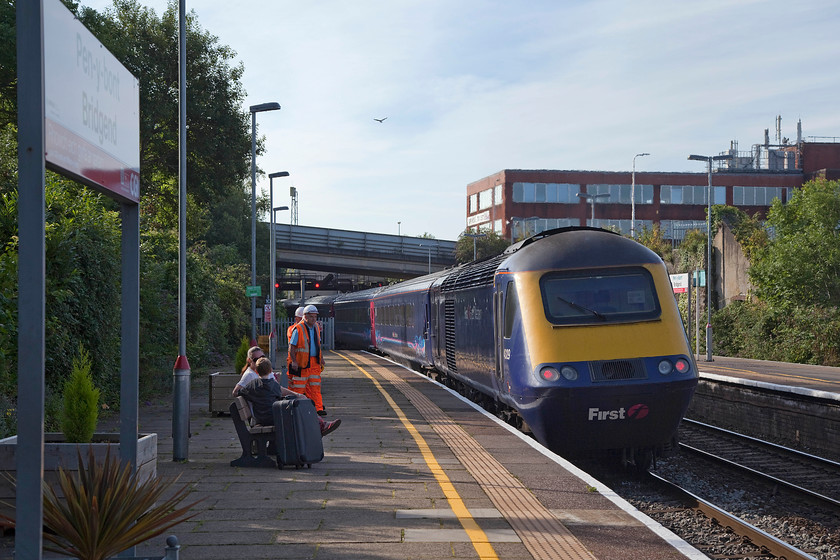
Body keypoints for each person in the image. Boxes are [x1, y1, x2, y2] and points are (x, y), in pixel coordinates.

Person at [239, 357, 341, 437]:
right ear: (271, 370)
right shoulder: (273, 385)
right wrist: (296, 395)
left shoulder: (252, 385)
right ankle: (321, 426)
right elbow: (280, 392)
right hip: (274, 418)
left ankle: (320, 426)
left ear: (257, 371)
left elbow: (240, 392)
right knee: (299, 412)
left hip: (260, 418)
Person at [288, 304, 327, 415]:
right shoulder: (298, 329)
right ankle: (297, 409)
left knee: (315, 388)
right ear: (305, 316)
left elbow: (317, 345)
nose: (313, 319)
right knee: (298, 389)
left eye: (315, 317)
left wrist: (322, 358)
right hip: (301, 364)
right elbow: (292, 347)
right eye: (311, 317)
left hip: (314, 363)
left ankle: (318, 409)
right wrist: (294, 361)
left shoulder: (316, 328)